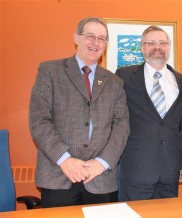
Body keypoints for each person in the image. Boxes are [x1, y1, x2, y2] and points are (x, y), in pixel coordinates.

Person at [29, 17, 130, 208]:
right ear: (76, 38)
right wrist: (65, 159)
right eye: (90, 36)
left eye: (102, 38)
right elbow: (39, 120)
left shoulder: (114, 82)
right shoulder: (50, 71)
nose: (96, 42)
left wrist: (102, 162)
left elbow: (122, 125)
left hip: (100, 179)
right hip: (58, 174)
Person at [115, 25, 182, 201]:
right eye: (151, 43)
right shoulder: (123, 76)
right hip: (136, 170)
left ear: (169, 47)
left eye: (162, 43)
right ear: (142, 48)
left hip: (170, 172)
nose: (157, 48)